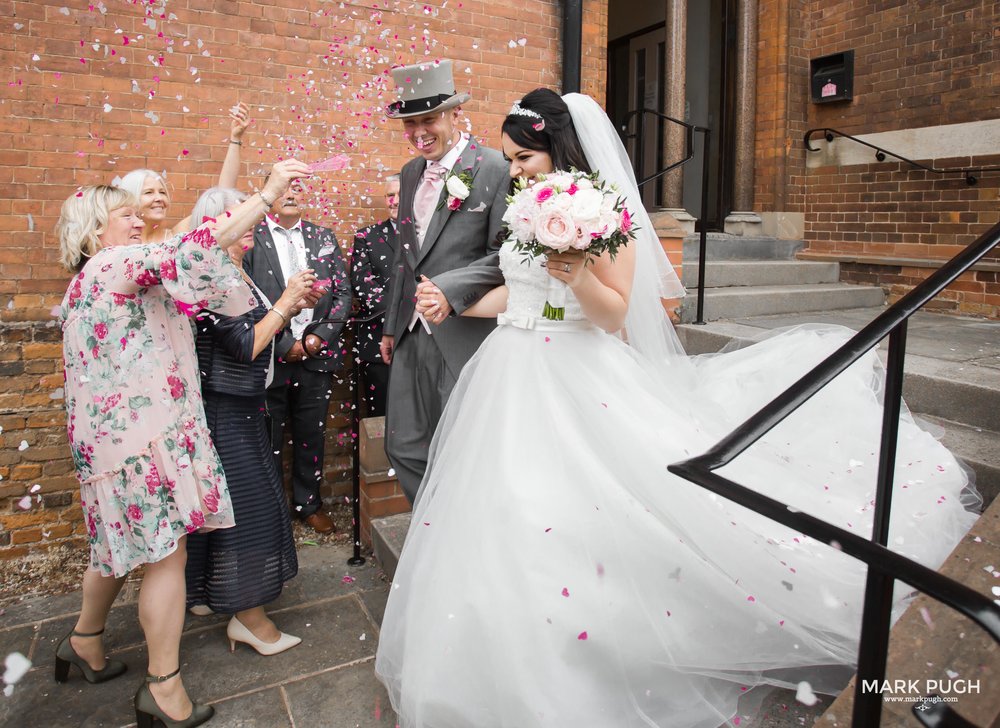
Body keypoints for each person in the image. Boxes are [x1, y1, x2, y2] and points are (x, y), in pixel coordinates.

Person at [373, 89, 979, 727]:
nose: (515, 171)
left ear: (559, 150)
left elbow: (610, 315)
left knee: (556, 505)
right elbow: (515, 295)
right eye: (510, 159)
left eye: (524, 158)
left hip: (574, 372)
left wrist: (577, 272)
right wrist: (455, 303)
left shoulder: (604, 214)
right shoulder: (528, 207)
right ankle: (498, 644)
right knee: (504, 508)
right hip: (510, 371)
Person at [56, 159, 309, 728]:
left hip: (105, 444)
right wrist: (265, 195)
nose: (137, 222)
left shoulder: (85, 283)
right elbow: (194, 247)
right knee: (167, 556)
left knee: (115, 546)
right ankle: (163, 687)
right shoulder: (114, 263)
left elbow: (202, 280)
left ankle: (84, 641)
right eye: (125, 215)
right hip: (143, 443)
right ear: (98, 230)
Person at [185, 187, 322, 655]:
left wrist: (290, 310)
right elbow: (243, 345)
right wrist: (285, 303)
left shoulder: (232, 272)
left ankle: (205, 596)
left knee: (224, 512)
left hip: (243, 405)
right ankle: (249, 618)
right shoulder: (211, 278)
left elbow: (258, 334)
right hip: (224, 412)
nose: (248, 225)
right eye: (235, 217)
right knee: (247, 514)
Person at [379, 60, 510, 502]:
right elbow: (405, 256)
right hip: (411, 333)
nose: (419, 132)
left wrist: (451, 291)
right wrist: (391, 325)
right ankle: (432, 530)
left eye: (428, 120)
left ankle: (462, 538)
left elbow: (507, 254)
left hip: (465, 331)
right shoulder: (410, 172)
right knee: (403, 446)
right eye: (410, 123)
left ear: (454, 114)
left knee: (461, 445)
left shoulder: (494, 167)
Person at [243, 172, 352, 533]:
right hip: (271, 355)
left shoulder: (323, 237)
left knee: (311, 432)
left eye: (298, 188)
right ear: (270, 193)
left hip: (316, 355)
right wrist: (285, 344)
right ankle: (271, 510)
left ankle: (309, 504)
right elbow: (245, 298)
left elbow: (343, 294)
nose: (292, 193)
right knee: (268, 435)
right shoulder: (251, 238)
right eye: (286, 187)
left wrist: (316, 339)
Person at [119, 102, 251, 244]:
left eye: (162, 192)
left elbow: (223, 194)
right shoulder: (118, 242)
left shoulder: (177, 236)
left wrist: (235, 139)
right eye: (149, 192)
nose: (159, 198)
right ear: (130, 198)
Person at [350, 174, 400, 417]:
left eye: (401, 195)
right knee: (380, 418)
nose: (395, 201)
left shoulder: (428, 238)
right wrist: (403, 315)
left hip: (424, 343)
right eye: (390, 195)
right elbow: (362, 286)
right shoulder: (366, 237)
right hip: (378, 345)